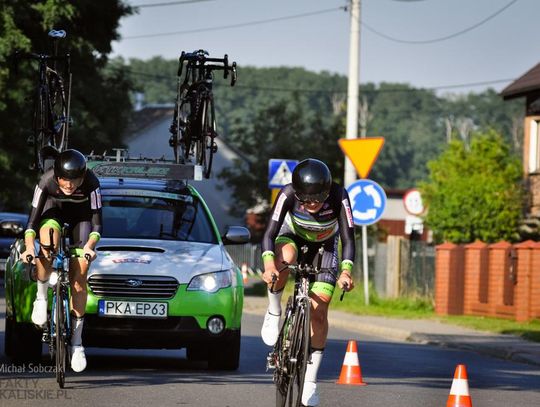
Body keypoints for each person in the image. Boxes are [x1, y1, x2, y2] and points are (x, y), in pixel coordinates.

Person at [260, 158, 355, 407]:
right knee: (286, 258)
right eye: (306, 200)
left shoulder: (339, 195)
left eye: (318, 199)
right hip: (291, 238)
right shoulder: (287, 193)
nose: (312, 205)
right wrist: (270, 266)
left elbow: (348, 238)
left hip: (325, 246)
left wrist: (345, 272)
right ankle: (274, 309)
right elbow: (269, 233)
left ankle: (310, 382)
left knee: (320, 310)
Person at [21, 149, 102, 373]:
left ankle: (77, 344)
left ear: (83, 177)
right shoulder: (45, 181)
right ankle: (41, 297)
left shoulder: (93, 183)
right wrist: (29, 247)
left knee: (79, 277)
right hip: (52, 212)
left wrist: (89, 247)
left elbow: (97, 225)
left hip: (81, 218)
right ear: (56, 177)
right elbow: (31, 223)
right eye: (65, 181)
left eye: (75, 181)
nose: (69, 186)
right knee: (47, 242)